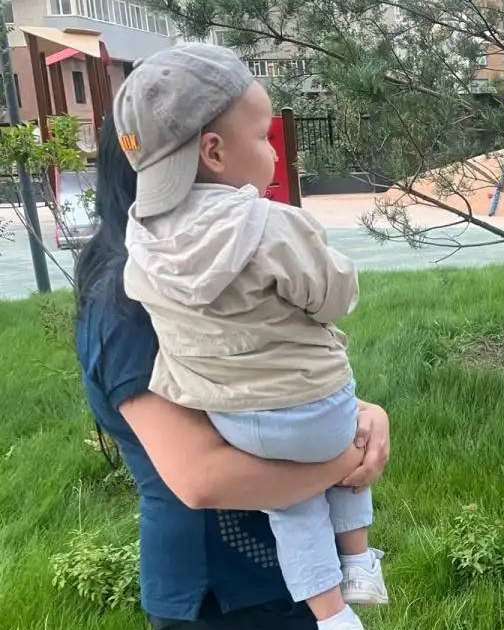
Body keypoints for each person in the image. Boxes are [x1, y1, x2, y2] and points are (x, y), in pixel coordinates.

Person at [75, 116, 390, 628]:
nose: (276, 155)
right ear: (209, 154)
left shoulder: (224, 262)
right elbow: (202, 478)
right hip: (224, 598)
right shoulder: (129, 298)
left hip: (291, 576)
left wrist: (359, 412)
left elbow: (265, 378)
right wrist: (345, 451)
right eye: (261, 136)